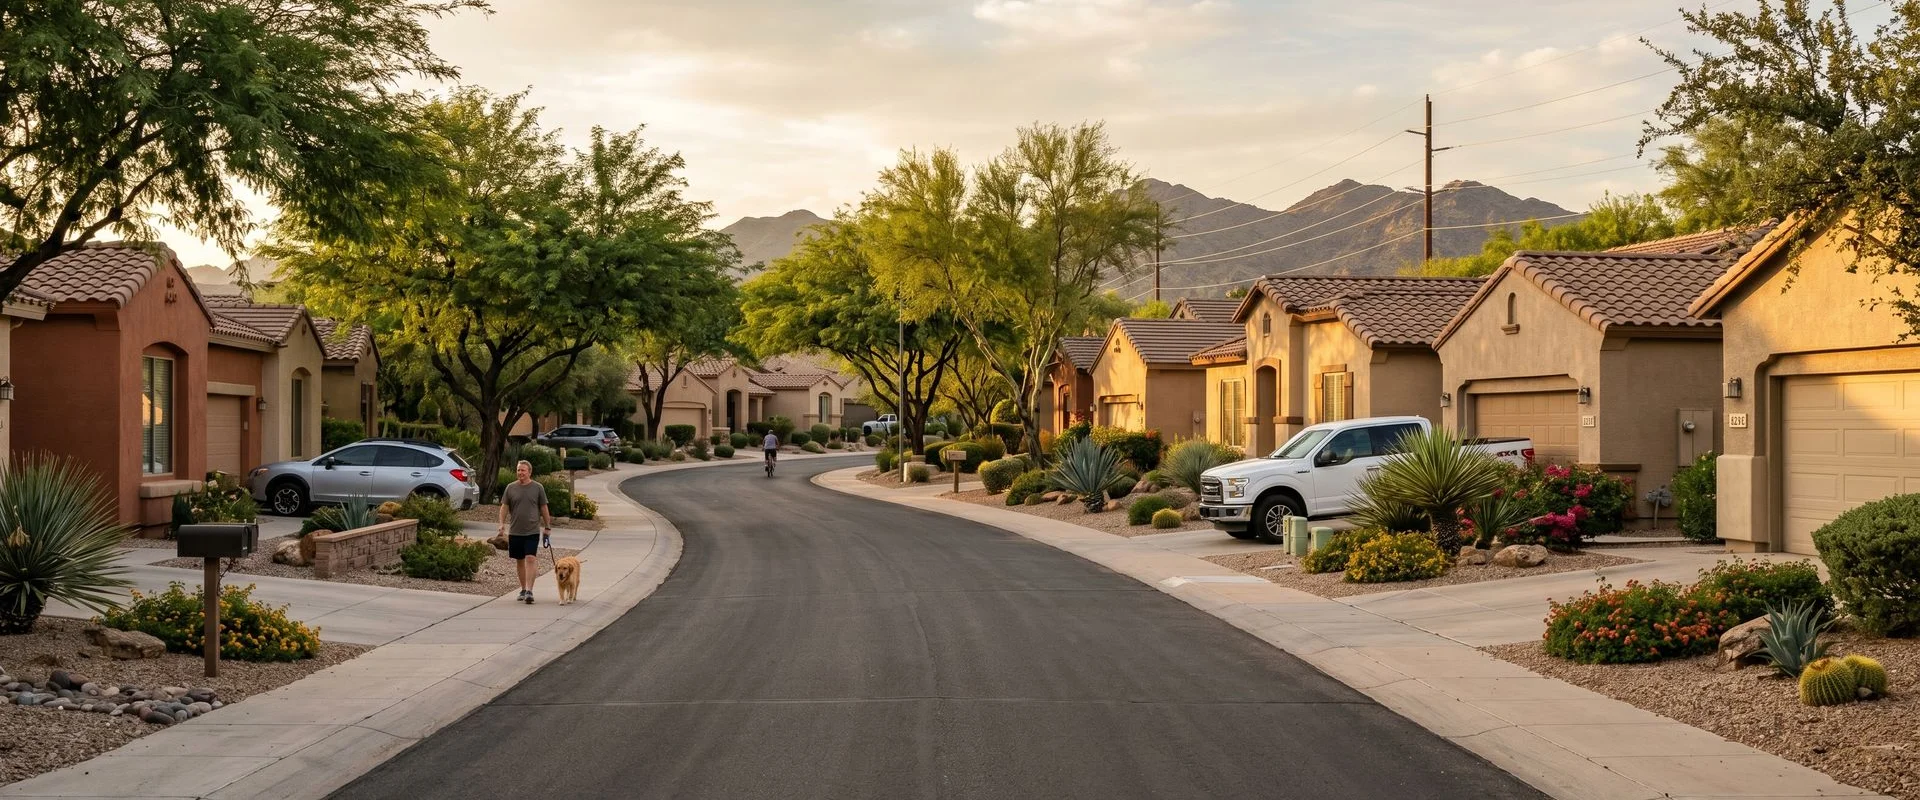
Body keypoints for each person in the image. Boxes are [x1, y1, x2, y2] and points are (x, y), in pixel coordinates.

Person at [498, 460, 552, 604]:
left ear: (529, 472)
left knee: (530, 558)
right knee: (520, 560)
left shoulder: (538, 488)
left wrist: (547, 527)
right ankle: (523, 589)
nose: (520, 473)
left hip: (532, 530)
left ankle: (529, 590)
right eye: (518, 470)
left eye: (523, 470)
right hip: (515, 531)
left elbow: (544, 508)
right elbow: (504, 507)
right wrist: (501, 524)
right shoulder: (510, 488)